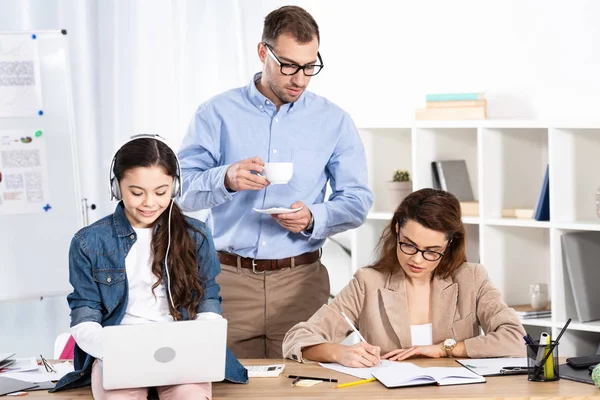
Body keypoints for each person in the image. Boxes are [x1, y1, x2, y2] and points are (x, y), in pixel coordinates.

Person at [177, 5, 373, 359]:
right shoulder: (216, 113)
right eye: (289, 66)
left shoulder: (334, 121)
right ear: (262, 52)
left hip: (302, 283)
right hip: (226, 283)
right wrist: (226, 178)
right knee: (223, 386)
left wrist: (314, 217)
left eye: (310, 66)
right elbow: (183, 192)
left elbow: (357, 199)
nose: (299, 79)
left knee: (306, 386)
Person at [51, 135, 247, 398]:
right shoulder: (88, 241)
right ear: (117, 187)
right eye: (136, 192)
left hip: (182, 351)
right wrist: (113, 350)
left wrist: (203, 338)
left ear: (175, 187)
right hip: (117, 354)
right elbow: (85, 312)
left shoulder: (196, 235)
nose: (149, 203)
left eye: (161, 192)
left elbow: (208, 297)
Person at [283, 188, 526, 366]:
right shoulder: (368, 282)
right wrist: (339, 352)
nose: (417, 260)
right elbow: (297, 338)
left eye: (432, 252)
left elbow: (516, 339)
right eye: (409, 245)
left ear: (450, 244)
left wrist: (446, 349)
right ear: (397, 228)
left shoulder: (472, 278)